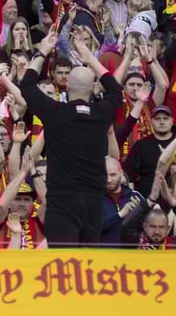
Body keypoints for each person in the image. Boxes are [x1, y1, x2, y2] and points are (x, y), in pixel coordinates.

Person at [20, 27, 122, 246]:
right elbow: (115, 89)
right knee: (85, 270)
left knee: (64, 268)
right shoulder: (101, 114)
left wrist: (43, 51)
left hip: (62, 203)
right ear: (93, 87)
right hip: (94, 204)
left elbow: (26, 84)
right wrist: (89, 57)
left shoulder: (55, 112)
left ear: (67, 85)